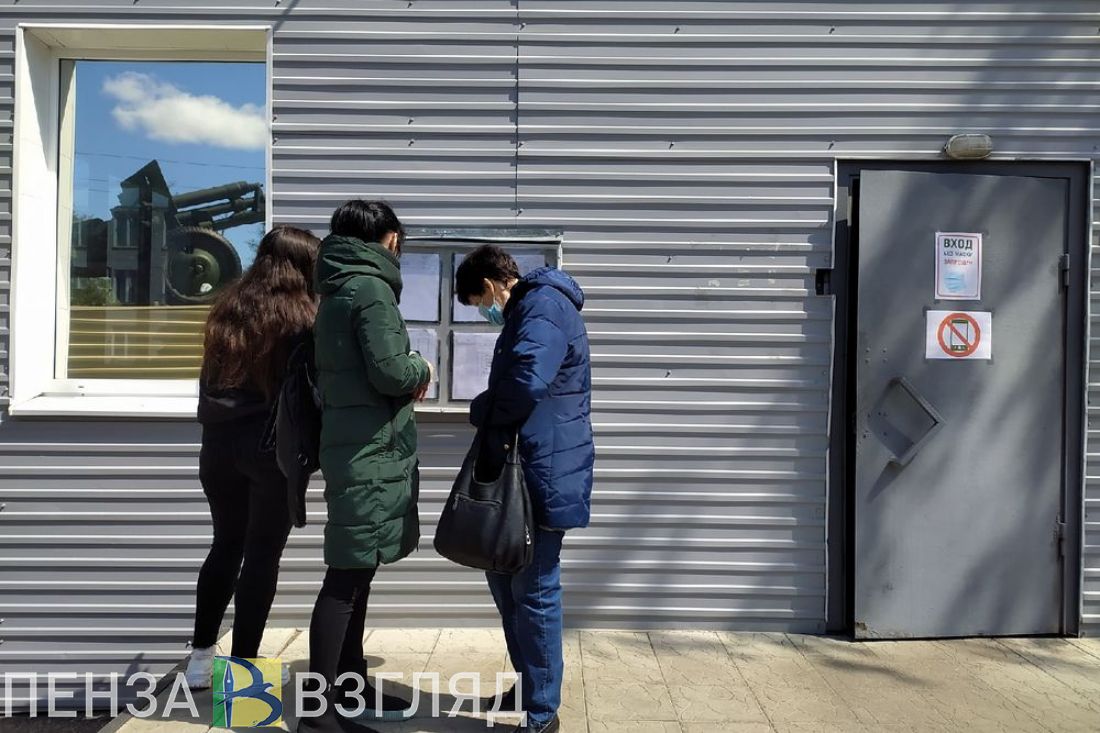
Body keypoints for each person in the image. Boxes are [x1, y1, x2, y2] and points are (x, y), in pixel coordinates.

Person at [298, 201, 433, 733]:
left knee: (359, 572)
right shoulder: (371, 289)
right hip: (369, 451)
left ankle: (350, 687)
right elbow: (390, 371)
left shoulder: (336, 288)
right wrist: (421, 366)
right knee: (346, 578)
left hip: (354, 444)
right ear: (390, 239)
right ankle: (318, 714)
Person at [455, 246, 595, 733]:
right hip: (530, 465)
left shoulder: (543, 305)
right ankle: (528, 685)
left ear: (491, 283)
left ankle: (542, 713)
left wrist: (480, 410)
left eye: (479, 302)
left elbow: (526, 381)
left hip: (543, 470)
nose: (484, 312)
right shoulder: (531, 309)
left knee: (533, 590)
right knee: (506, 581)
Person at [186, 226, 321, 688]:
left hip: (218, 448)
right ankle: (243, 675)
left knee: (225, 545)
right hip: (269, 451)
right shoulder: (302, 318)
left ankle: (201, 657)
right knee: (262, 557)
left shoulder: (227, 308)